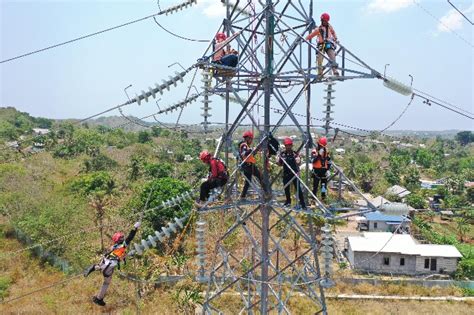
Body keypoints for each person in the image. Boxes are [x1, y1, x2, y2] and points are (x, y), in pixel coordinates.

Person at [84, 221, 141, 306]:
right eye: (122, 238)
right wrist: (135, 228)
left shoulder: (114, 247)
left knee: (107, 282)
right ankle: (93, 267)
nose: (123, 239)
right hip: (108, 264)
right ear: (120, 239)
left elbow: (118, 255)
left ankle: (99, 298)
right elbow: (130, 237)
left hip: (108, 265)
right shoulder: (122, 245)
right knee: (103, 272)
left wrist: (125, 255)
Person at [306, 13, 339, 77]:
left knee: (332, 55)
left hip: (328, 43)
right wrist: (305, 39)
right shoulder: (319, 29)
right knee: (320, 57)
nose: (323, 22)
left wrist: (335, 38)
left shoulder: (330, 27)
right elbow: (311, 35)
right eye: (322, 21)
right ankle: (320, 73)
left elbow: (333, 32)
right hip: (321, 44)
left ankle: (334, 70)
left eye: (325, 21)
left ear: (327, 21)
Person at [277, 137, 306, 209]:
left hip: (294, 174)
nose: (288, 147)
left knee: (298, 189)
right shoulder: (282, 154)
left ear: (291, 146)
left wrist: (298, 160)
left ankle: (303, 204)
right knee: (286, 188)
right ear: (285, 146)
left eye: (289, 145)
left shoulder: (295, 154)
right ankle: (288, 201)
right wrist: (277, 161)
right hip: (286, 174)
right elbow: (279, 163)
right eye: (287, 145)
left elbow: (298, 163)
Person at [239, 130, 263, 199]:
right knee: (260, 176)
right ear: (247, 138)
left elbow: (249, 155)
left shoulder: (246, 146)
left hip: (247, 165)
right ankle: (266, 192)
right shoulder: (244, 145)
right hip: (248, 165)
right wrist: (251, 150)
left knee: (248, 181)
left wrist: (255, 150)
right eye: (251, 139)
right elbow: (244, 154)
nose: (251, 140)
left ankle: (243, 196)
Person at [311, 136, 331, 200]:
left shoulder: (326, 151)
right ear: (318, 144)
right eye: (321, 145)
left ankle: (323, 198)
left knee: (323, 186)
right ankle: (313, 199)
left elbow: (328, 160)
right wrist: (318, 155)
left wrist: (328, 169)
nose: (322, 147)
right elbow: (313, 160)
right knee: (315, 186)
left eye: (323, 146)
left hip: (323, 170)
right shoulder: (314, 151)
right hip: (316, 170)